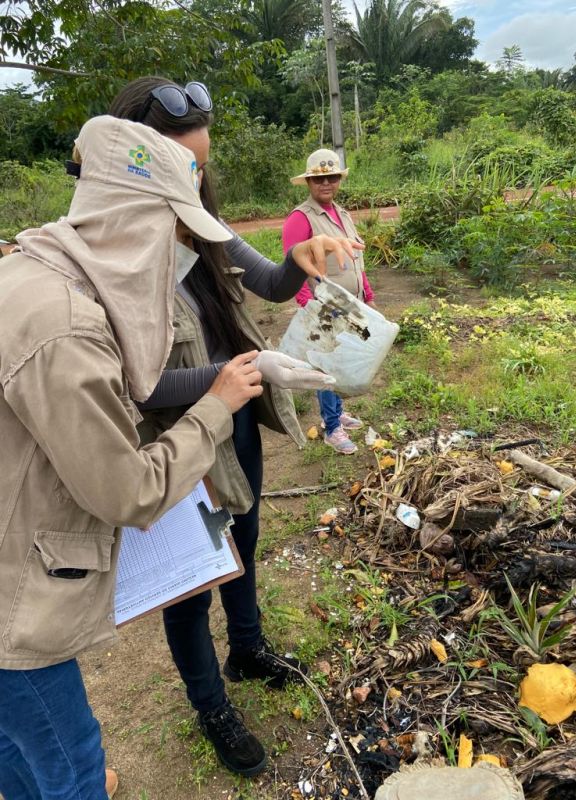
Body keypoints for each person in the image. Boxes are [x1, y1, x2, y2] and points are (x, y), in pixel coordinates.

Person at [0, 115, 272, 799]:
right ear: (138, 222)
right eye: (172, 231)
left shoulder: (30, 270)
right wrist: (216, 408)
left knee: (15, 746)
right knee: (74, 764)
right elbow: (126, 492)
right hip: (13, 601)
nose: (176, 251)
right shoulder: (67, 325)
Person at [108, 77, 363, 778]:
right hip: (173, 443)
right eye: (183, 164)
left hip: (236, 424)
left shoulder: (203, 228)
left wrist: (301, 261)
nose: (195, 177)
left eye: (200, 164)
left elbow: (273, 285)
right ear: (135, 164)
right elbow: (138, 383)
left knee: (241, 538)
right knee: (189, 581)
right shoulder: (114, 259)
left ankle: (246, 649)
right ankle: (210, 704)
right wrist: (234, 377)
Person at [283, 148, 376, 455]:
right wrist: (309, 304)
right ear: (309, 182)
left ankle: (338, 412)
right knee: (325, 364)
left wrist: (367, 293)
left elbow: (354, 259)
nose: (327, 184)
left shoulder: (344, 214)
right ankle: (331, 427)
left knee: (342, 360)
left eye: (332, 177)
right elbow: (293, 264)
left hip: (351, 304)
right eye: (319, 179)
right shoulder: (301, 218)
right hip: (325, 307)